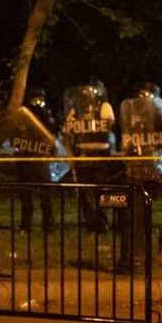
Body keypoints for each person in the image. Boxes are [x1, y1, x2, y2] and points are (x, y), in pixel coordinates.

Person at [116, 82, 162, 270]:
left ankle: (139, 254)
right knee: (130, 215)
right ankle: (131, 257)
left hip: (149, 170)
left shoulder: (158, 116)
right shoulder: (129, 114)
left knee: (144, 214)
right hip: (133, 170)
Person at [62, 80, 117, 232]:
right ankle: (90, 221)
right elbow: (67, 130)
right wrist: (71, 154)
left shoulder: (104, 106)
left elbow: (110, 123)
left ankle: (102, 220)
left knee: (101, 189)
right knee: (84, 190)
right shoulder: (76, 109)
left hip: (100, 154)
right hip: (82, 155)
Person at [4, 88, 61, 231]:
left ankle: (48, 224)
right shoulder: (22, 117)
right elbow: (14, 136)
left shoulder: (46, 115)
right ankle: (25, 224)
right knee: (26, 194)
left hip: (40, 159)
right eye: (35, 98)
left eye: (40, 99)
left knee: (45, 193)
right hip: (24, 159)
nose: (37, 102)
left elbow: (52, 134)